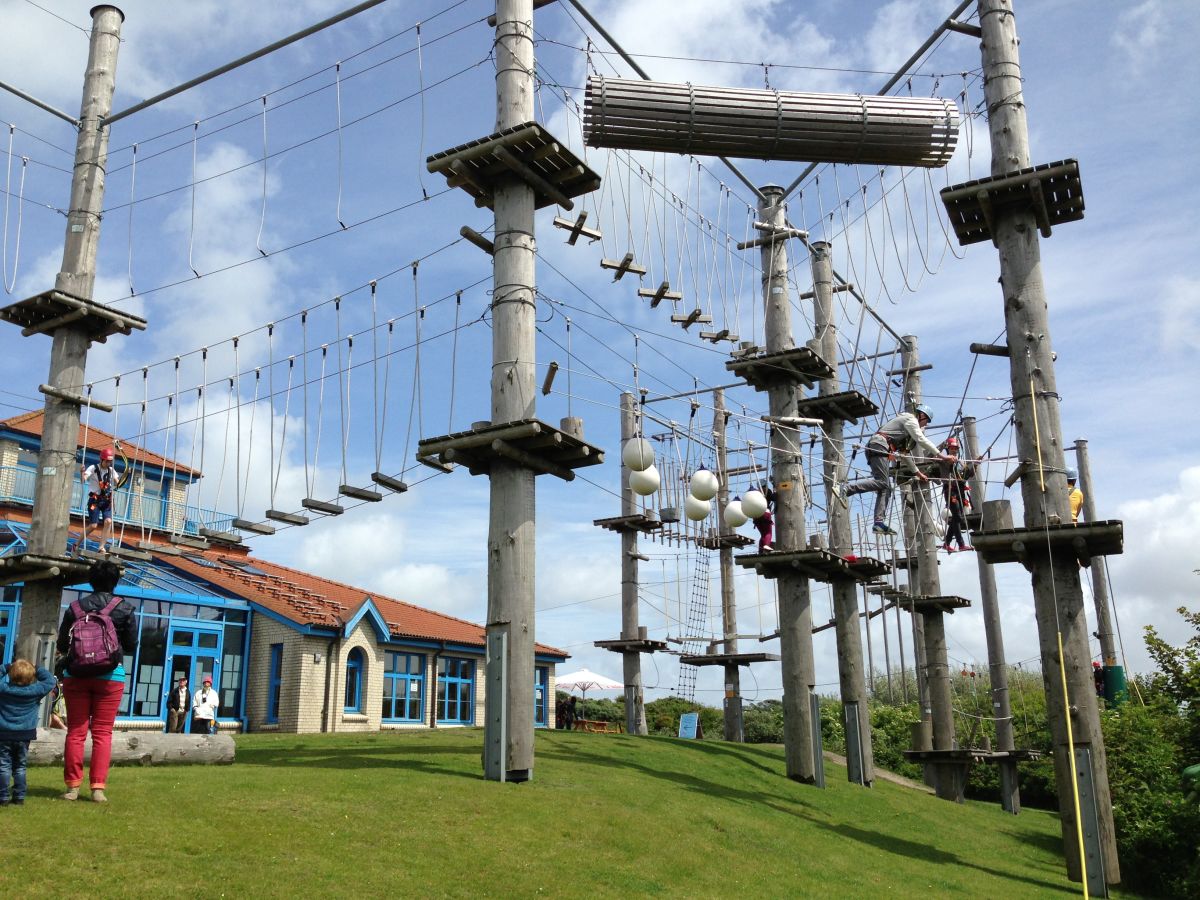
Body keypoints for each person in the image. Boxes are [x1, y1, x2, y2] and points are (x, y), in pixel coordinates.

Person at [57, 559, 138, 803]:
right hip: (110, 677)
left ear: (90, 580)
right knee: (103, 733)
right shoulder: (125, 608)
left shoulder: (75, 608)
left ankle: (72, 788)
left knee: (75, 732)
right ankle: (97, 789)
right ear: (115, 581)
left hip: (76, 675)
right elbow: (132, 645)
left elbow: (62, 644)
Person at [844, 404, 955, 536]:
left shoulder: (904, 433)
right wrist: (942, 456)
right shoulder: (911, 420)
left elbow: (904, 455)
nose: (925, 425)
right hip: (879, 446)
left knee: (885, 487)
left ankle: (878, 522)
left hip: (879, 447)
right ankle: (846, 488)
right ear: (922, 415)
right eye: (926, 421)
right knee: (883, 483)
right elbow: (921, 439)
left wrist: (917, 473)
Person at [0, 659, 57, 806]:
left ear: (11, 675)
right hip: (25, 734)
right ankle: (19, 797)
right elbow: (50, 680)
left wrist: (7, 666)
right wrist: (36, 667)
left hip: (4, 733)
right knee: (20, 766)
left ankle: (3, 797)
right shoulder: (35, 691)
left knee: (3, 765)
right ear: (32, 677)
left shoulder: (4, 689)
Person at [78, 443, 130, 555]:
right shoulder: (93, 468)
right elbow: (83, 480)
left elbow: (118, 483)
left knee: (108, 521)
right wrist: (81, 472)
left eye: (110, 461)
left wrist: (126, 476)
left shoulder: (111, 470)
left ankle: (101, 547)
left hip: (106, 500)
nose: (108, 463)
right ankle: (77, 544)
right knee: (93, 526)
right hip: (95, 501)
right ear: (101, 459)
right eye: (106, 461)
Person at [939, 436, 976, 553]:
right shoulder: (944, 459)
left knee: (957, 517)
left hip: (960, 490)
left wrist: (975, 464)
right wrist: (943, 450)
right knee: (957, 516)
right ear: (948, 448)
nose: (954, 450)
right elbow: (932, 455)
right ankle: (961, 544)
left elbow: (967, 475)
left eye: (955, 448)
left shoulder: (960, 462)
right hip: (950, 490)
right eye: (952, 448)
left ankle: (947, 543)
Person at [752, 483, 776, 552]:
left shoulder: (755, 493)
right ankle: (766, 545)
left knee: (763, 534)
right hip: (765, 513)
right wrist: (775, 492)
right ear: (765, 486)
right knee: (768, 533)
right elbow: (774, 498)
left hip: (755, 516)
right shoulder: (766, 491)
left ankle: (761, 550)